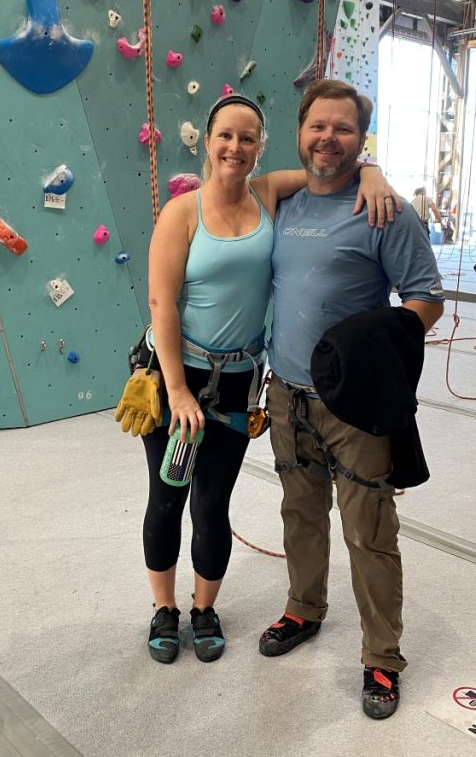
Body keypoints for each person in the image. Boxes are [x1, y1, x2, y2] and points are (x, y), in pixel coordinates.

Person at [136, 93, 401, 665]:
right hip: (176, 374)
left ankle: (204, 610)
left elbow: (330, 164)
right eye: (225, 135)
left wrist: (375, 170)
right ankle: (164, 610)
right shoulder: (182, 213)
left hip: (238, 380)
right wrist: (177, 390)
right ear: (207, 142)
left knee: (212, 505)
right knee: (167, 498)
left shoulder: (269, 193)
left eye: (248, 137)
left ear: (260, 147)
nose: (236, 147)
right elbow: (162, 304)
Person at [257, 79, 444, 719]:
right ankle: (304, 609)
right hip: (286, 395)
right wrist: (367, 168)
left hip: (354, 405)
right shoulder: (282, 204)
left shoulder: (385, 211)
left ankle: (382, 660)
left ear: (361, 139)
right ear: (301, 132)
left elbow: (425, 298)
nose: (327, 139)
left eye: (343, 129)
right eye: (317, 127)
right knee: (300, 514)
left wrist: (378, 345)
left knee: (369, 531)